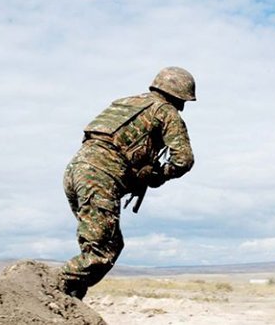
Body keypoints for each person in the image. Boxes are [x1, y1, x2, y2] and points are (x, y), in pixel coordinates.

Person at [60, 66, 196, 299]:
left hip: (76, 170)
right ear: (180, 96)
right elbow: (184, 159)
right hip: (99, 178)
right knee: (102, 251)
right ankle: (49, 285)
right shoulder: (165, 112)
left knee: (105, 244)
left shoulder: (125, 102)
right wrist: (158, 175)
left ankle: (67, 302)